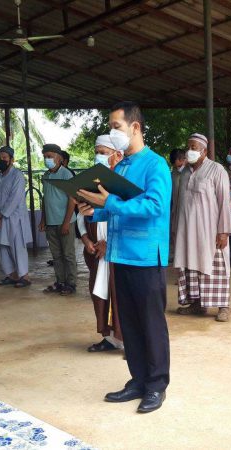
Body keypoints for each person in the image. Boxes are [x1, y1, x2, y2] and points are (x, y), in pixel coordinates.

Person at [77, 101, 171, 414]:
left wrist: (109, 204)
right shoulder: (123, 167)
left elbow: (154, 206)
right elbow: (115, 208)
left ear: (135, 127)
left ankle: (156, 385)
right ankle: (138, 380)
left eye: (116, 126)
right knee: (129, 324)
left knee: (151, 324)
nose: (112, 132)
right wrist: (94, 210)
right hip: (121, 255)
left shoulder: (155, 165)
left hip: (146, 257)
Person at [174, 133, 231, 322]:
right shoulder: (184, 173)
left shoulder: (217, 170)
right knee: (191, 267)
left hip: (210, 231)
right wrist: (175, 228)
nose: (189, 151)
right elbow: (177, 203)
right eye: (188, 147)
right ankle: (197, 304)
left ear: (204, 151)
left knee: (217, 267)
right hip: (187, 231)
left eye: (194, 147)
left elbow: (224, 202)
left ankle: (223, 306)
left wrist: (223, 231)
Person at [77, 134, 124, 352]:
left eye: (103, 153)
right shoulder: (92, 182)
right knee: (99, 292)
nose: (99, 157)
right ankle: (109, 337)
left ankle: (125, 339)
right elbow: (81, 214)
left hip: (117, 251)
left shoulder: (123, 183)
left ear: (117, 155)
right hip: (96, 250)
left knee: (119, 294)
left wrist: (110, 244)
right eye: (97, 152)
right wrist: (86, 238)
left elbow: (127, 216)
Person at [0, 146, 33, 288]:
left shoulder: (17, 175)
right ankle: (12, 275)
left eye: (4, 158)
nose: (1, 160)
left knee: (17, 246)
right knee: (2, 247)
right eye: (0, 158)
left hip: (14, 218)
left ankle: (24, 276)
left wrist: (1, 215)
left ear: (11, 160)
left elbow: (15, 198)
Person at [40, 144, 78, 296]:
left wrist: (66, 222)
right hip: (50, 221)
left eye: (50, 156)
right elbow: (45, 199)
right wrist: (43, 220)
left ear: (59, 158)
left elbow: (72, 200)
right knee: (56, 255)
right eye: (45, 156)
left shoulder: (66, 174)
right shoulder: (46, 176)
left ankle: (71, 283)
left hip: (65, 222)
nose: (47, 159)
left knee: (68, 254)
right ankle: (60, 281)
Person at [169, 149, 186, 262]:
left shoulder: (190, 171)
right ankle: (177, 255)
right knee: (174, 232)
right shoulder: (173, 174)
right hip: (175, 208)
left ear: (181, 159)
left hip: (186, 210)